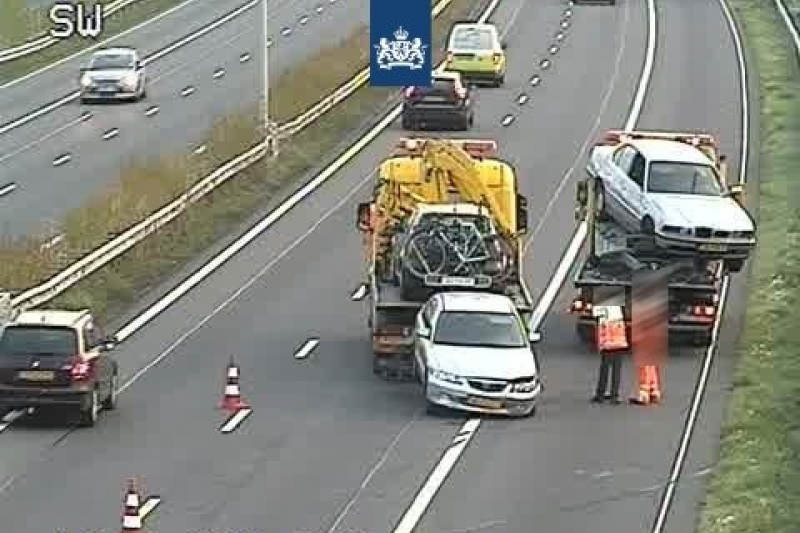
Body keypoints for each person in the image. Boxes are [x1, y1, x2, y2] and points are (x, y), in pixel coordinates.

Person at [591, 305, 628, 404]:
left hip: (607, 334)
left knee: (605, 365)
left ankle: (600, 394)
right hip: (618, 332)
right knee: (617, 366)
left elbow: (596, 313)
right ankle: (614, 395)